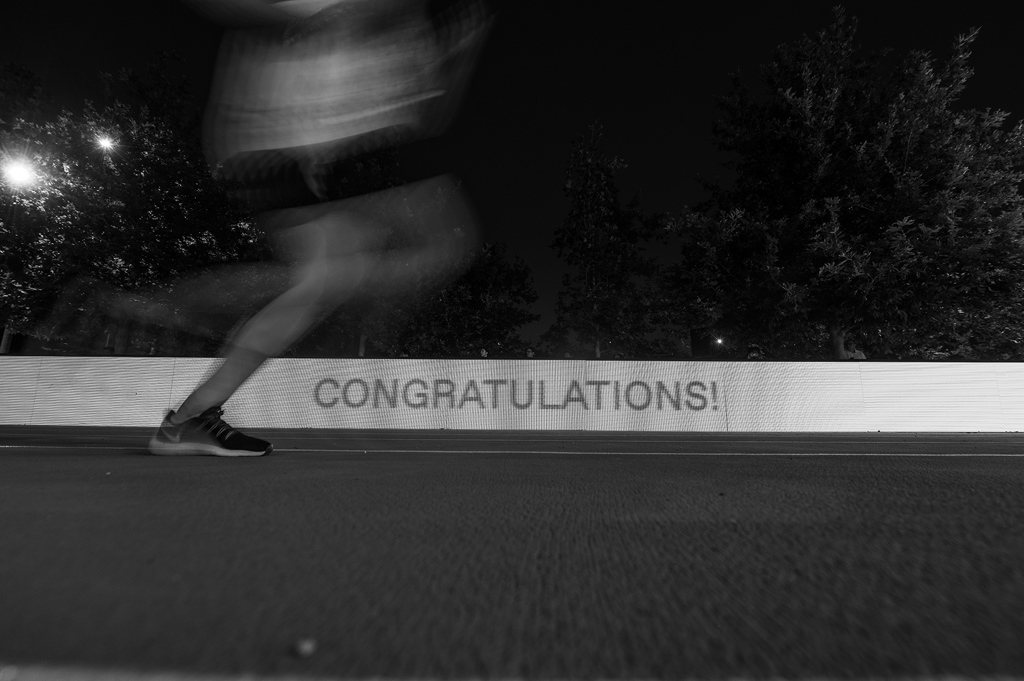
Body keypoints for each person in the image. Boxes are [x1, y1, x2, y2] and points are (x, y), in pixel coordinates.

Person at [148, 0, 493, 456]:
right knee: (424, 240)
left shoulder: (393, 35)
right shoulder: (346, 25)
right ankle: (187, 314)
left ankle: (189, 400)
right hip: (275, 155)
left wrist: (453, 52)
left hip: (295, 155)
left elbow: (422, 111)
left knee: (337, 280)